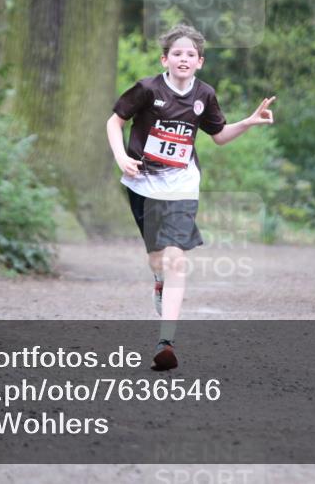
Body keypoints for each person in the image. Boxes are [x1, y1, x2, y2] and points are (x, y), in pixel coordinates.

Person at [106, 24, 275, 371]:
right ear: (165, 59)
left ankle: (165, 341)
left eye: (191, 54)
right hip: (142, 185)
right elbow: (114, 122)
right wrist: (121, 157)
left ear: (200, 62)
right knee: (158, 261)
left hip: (182, 185)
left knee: (176, 260)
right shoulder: (146, 89)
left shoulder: (204, 95)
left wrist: (248, 121)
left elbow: (219, 136)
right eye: (177, 53)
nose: (184, 59)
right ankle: (158, 282)